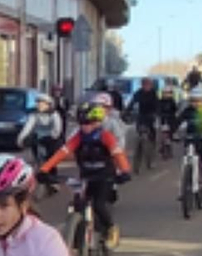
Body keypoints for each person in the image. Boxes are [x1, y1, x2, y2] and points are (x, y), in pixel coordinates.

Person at [37, 102, 133, 247]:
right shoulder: (79, 137)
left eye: (88, 123)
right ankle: (76, 233)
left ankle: (111, 228)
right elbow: (62, 152)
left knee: (99, 204)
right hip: (86, 175)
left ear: (97, 123)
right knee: (78, 204)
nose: (84, 127)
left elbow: (118, 154)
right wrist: (44, 169)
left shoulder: (106, 136)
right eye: (82, 123)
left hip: (104, 176)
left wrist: (124, 171)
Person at [176, 87, 202, 182]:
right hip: (190, 134)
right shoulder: (187, 110)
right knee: (187, 151)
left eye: (198, 101)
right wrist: (174, 131)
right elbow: (179, 120)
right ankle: (187, 171)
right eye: (193, 101)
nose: (195, 104)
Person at [18, 94, 65, 170]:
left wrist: (50, 138)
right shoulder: (34, 115)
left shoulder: (54, 115)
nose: (39, 105)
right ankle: (39, 165)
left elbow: (57, 130)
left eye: (42, 103)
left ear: (48, 105)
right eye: (38, 103)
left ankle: (51, 169)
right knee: (34, 145)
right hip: (38, 139)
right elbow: (27, 127)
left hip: (51, 140)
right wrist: (21, 139)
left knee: (51, 155)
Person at [131, 78, 162, 154]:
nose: (146, 87)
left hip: (151, 114)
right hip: (141, 114)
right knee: (139, 127)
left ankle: (153, 146)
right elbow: (132, 103)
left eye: (148, 85)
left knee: (152, 129)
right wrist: (127, 111)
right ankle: (140, 143)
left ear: (151, 86)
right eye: (145, 85)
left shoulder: (153, 93)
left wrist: (157, 113)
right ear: (142, 85)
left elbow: (157, 104)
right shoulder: (138, 93)